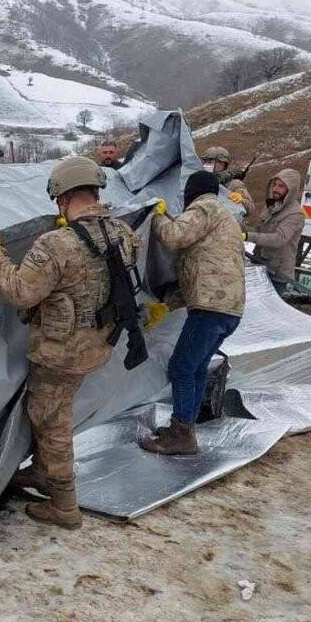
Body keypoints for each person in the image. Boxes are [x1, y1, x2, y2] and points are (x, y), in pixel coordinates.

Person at [0, 156, 140, 529]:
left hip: (60, 354)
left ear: (62, 198)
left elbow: (20, 292)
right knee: (54, 413)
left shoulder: (56, 244)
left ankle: (64, 505)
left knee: (52, 423)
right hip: (98, 344)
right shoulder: (122, 232)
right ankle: (42, 472)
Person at [139, 171, 245, 455]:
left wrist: (156, 215)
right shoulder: (224, 217)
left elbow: (174, 236)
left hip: (210, 309)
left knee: (181, 367)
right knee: (196, 368)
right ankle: (186, 427)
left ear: (193, 192)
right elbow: (204, 269)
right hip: (228, 310)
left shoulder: (206, 206)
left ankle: (182, 433)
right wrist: (168, 305)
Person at [245, 169, 306, 296]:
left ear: (291, 189)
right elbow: (259, 231)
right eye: (275, 185)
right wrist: (238, 225)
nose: (275, 189)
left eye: (281, 186)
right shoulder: (271, 206)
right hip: (260, 265)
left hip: (277, 273)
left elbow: (279, 239)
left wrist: (247, 236)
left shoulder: (295, 214)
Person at [201, 146, 260, 228]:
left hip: (229, 227)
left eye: (210, 161)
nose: (207, 164)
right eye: (206, 161)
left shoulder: (234, 184)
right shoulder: (200, 182)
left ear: (222, 165)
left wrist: (242, 200)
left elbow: (250, 208)